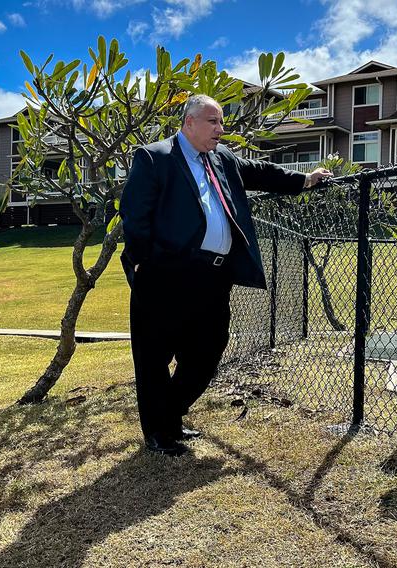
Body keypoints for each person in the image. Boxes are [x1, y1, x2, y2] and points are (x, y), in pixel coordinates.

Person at [119, 94, 333, 455]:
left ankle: (167, 416)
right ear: (188, 123)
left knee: (208, 349)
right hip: (164, 276)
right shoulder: (155, 158)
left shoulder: (223, 159)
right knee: (154, 355)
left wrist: (306, 179)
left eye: (221, 122)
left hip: (212, 277)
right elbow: (134, 213)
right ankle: (159, 432)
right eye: (212, 122)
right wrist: (142, 262)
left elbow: (263, 173)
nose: (221, 129)